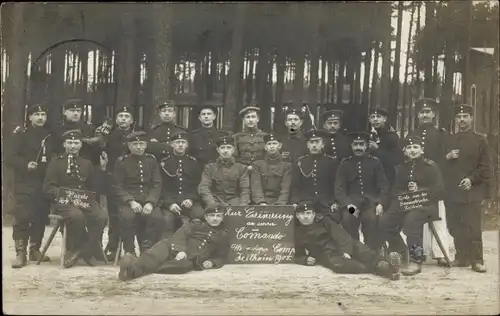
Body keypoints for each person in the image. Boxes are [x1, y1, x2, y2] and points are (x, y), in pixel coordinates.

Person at [376, 136, 446, 276]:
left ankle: (416, 259)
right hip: (405, 204)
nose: (412, 150)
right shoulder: (401, 168)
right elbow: (395, 190)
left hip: (426, 205)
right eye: (409, 148)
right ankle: (401, 250)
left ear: (422, 149)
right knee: (384, 220)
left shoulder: (431, 166)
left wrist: (419, 189)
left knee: (411, 220)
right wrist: (406, 192)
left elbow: (439, 191)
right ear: (405, 151)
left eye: (415, 147)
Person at [43, 129, 108, 268]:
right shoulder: (56, 162)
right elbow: (48, 187)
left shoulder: (87, 163)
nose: (73, 146)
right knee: (76, 216)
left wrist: (102, 169)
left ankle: (84, 250)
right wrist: (64, 194)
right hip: (63, 202)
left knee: (101, 215)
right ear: (64, 145)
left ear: (81, 145)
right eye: (70, 143)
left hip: (83, 200)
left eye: (76, 143)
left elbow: (95, 187)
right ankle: (75, 248)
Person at [118, 204, 229, 281]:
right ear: (206, 217)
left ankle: (134, 266)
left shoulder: (223, 235)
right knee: (153, 256)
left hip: (189, 259)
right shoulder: (196, 224)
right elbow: (181, 234)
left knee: (182, 267)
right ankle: (130, 271)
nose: (215, 219)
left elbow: (221, 256)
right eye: (212, 216)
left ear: (222, 218)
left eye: (218, 216)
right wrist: (180, 250)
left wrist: (213, 262)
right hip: (171, 245)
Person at [294, 202, 401, 281]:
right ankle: (383, 269)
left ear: (313, 214)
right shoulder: (298, 233)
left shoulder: (325, 221)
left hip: (346, 245)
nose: (306, 216)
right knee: (344, 266)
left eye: (308, 213)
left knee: (363, 252)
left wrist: (346, 251)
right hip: (330, 255)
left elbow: (341, 235)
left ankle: (386, 264)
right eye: (302, 214)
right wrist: (305, 259)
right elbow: (296, 254)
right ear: (297, 216)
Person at [443, 104, 491, 273]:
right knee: (456, 225)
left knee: (473, 225)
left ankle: (477, 260)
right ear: (455, 120)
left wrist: (471, 179)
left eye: (465, 116)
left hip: (472, 190)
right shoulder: (449, 140)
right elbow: (439, 167)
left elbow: (485, 166)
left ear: (471, 118)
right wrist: (447, 157)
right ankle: (461, 257)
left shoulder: (480, 140)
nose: (462, 120)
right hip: (453, 191)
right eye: (459, 117)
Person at [6, 104, 53, 268]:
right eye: (36, 114)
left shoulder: (49, 136)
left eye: (43, 114)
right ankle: (20, 253)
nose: (40, 118)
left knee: (40, 215)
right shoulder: (20, 135)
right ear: (30, 117)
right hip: (25, 183)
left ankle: (35, 249)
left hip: (44, 182)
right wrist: (26, 164)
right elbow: (9, 157)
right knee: (22, 216)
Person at [334, 131, 390, 249]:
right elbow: (339, 188)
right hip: (351, 202)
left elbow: (384, 185)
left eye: (361, 144)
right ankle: (355, 249)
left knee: (371, 219)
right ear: (351, 146)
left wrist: (380, 202)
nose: (358, 148)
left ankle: (372, 250)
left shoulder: (375, 162)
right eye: (355, 145)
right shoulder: (345, 163)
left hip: (371, 202)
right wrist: (348, 205)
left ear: (366, 146)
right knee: (348, 218)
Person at [113, 131, 164, 256]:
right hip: (129, 201)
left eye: (141, 143)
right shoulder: (122, 162)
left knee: (157, 218)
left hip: (148, 199)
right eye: (135, 144)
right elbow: (117, 186)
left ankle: (147, 249)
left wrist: (150, 202)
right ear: (129, 146)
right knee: (127, 217)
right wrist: (131, 201)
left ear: (146, 145)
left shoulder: (151, 160)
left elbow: (157, 183)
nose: (139, 147)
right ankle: (129, 250)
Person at [103, 106, 136, 260]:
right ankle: (112, 246)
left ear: (132, 120)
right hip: (113, 179)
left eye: (126, 116)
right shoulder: (110, 135)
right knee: (114, 214)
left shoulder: (137, 136)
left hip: (132, 180)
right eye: (120, 116)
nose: (123, 119)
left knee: (130, 214)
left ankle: (131, 249)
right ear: (116, 119)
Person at [160, 131, 204, 238]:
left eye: (183, 142)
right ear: (171, 144)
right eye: (178, 142)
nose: (180, 145)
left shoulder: (193, 162)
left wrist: (191, 199)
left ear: (187, 145)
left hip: (189, 200)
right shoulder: (164, 163)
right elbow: (160, 186)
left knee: (200, 216)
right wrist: (169, 203)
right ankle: (167, 249)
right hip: (170, 201)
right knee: (166, 220)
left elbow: (199, 184)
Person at [290, 129, 338, 218]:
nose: (314, 145)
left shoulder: (331, 162)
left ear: (323, 144)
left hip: (326, 203)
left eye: (317, 142)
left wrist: (335, 202)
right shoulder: (301, 161)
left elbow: (336, 184)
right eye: (311, 142)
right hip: (305, 202)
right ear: (308, 145)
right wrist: (295, 202)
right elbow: (295, 186)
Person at [198, 135, 251, 207]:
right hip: (216, 201)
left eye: (228, 147)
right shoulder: (210, 167)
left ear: (233, 150)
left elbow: (245, 189)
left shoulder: (241, 168)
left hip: (235, 202)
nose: (225, 150)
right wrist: (211, 203)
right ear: (218, 150)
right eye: (222, 148)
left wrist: (242, 205)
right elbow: (204, 187)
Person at [51, 98, 105, 166]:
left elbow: (94, 152)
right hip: (62, 166)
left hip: (85, 166)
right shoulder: (57, 130)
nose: (76, 113)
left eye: (78, 111)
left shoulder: (89, 129)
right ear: (64, 112)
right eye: (72, 111)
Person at [250, 133, 292, 205]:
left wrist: (280, 203)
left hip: (280, 201)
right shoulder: (258, 165)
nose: (272, 146)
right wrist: (261, 202)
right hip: (262, 202)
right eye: (269, 144)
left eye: (274, 143)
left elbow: (285, 187)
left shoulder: (287, 165)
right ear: (265, 147)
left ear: (280, 146)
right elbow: (256, 186)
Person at [368, 107, 404, 187]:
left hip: (386, 175)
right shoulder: (368, 135)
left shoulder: (392, 136)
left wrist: (377, 150)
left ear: (385, 119)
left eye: (378, 117)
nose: (375, 119)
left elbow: (395, 159)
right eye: (372, 117)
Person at [407, 98, 449, 167]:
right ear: (418, 115)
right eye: (422, 112)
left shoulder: (441, 134)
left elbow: (444, 157)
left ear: (433, 114)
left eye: (427, 112)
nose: (424, 115)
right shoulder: (412, 134)